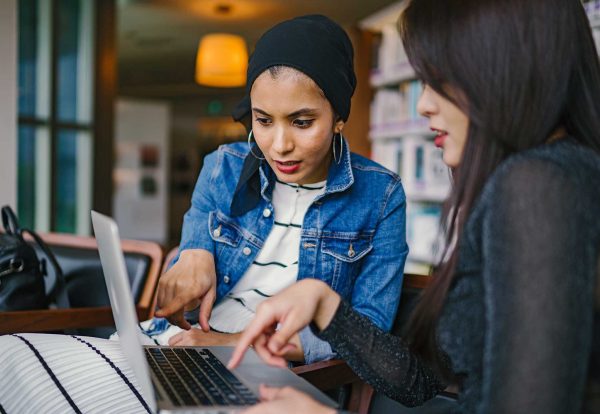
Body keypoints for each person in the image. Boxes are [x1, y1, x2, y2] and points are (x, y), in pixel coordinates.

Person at [229, 0, 600, 413]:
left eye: (438, 80)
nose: (423, 104)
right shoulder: (549, 176)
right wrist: (325, 305)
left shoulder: (538, 185)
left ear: (505, 67)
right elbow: (421, 381)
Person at [138, 13, 409, 365]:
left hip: (273, 371)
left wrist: (233, 342)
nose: (279, 145)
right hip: (183, 342)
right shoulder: (224, 166)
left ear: (339, 117)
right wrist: (194, 252)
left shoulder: (381, 195)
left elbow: (367, 332)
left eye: (302, 122)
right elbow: (193, 245)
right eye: (263, 120)